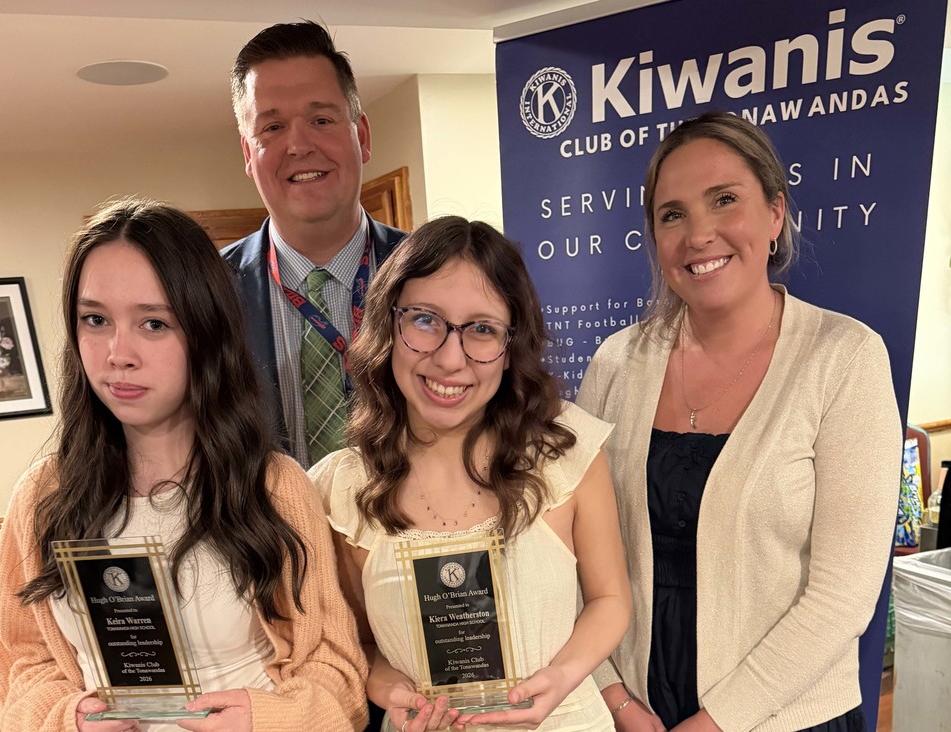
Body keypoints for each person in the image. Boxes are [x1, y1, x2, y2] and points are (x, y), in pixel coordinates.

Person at [0, 199, 368, 732]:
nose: (118, 353)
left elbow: (336, 666)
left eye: (153, 323)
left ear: (205, 332)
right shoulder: (42, 495)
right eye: (95, 320)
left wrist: (268, 718)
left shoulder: (274, 486)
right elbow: (22, 663)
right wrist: (66, 718)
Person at [577, 112, 903, 732]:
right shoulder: (616, 364)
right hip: (632, 715)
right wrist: (613, 696)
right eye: (672, 214)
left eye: (724, 200)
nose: (699, 234)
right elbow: (573, 551)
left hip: (786, 717)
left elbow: (842, 597)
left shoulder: (844, 358)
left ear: (775, 213)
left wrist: (717, 722)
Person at [311, 216, 633, 732]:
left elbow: (610, 600)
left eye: (482, 329)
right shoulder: (343, 489)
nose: (449, 359)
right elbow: (360, 642)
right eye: (424, 320)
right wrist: (388, 688)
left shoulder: (563, 451)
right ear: (388, 326)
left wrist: (561, 678)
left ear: (511, 348)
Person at [222, 21, 405, 469]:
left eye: (321, 120)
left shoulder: (437, 274)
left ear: (362, 136)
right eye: (272, 127)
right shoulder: (204, 291)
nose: (299, 145)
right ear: (248, 154)